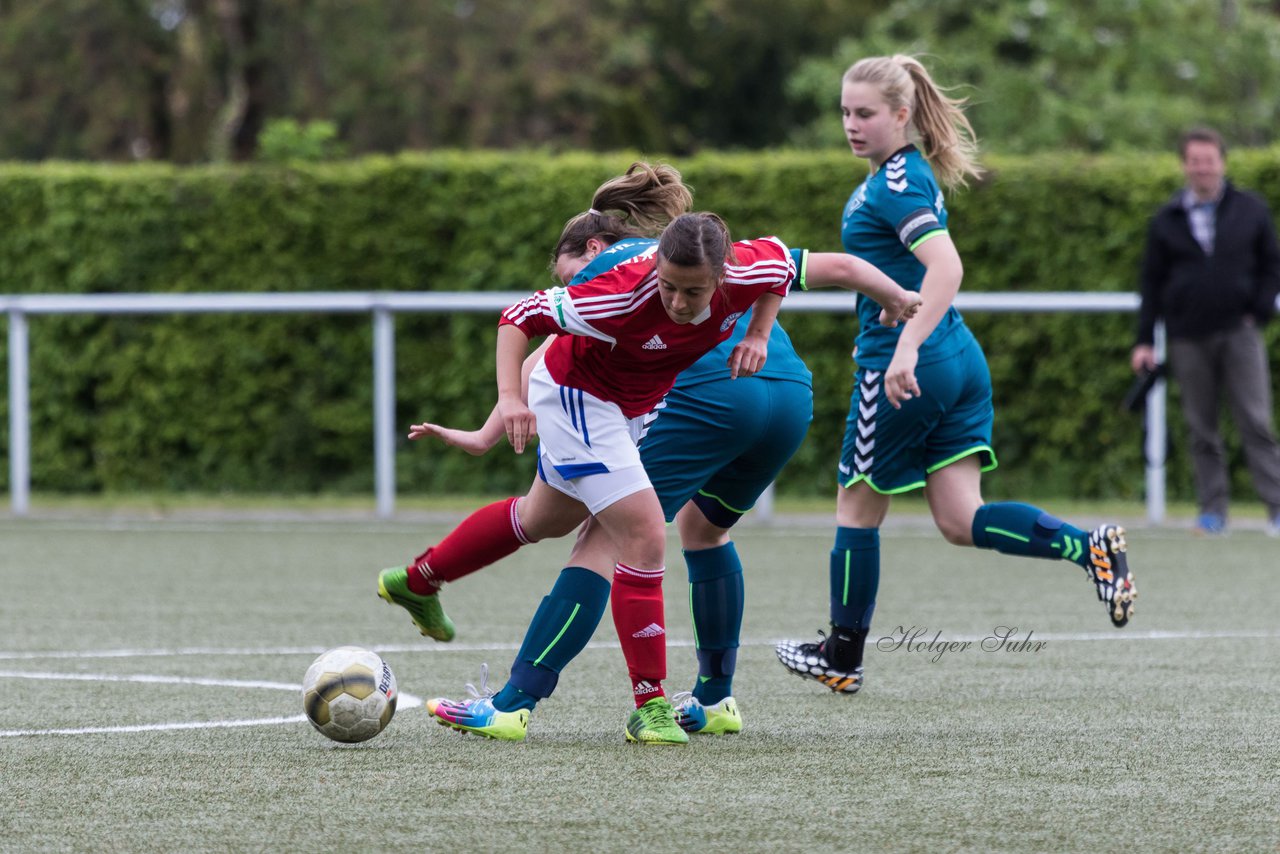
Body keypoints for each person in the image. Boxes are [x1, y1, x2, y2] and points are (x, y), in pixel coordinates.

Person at [377, 162, 922, 743]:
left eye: (695, 291)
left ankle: (432, 593)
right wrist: (504, 412)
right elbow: (525, 328)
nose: (681, 303)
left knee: (562, 524)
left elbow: (798, 271)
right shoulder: (612, 293)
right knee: (651, 533)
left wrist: (883, 301)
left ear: (720, 272)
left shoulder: (738, 263)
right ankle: (543, 702)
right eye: (670, 287)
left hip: (660, 405)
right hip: (654, 400)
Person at [775, 55, 1138, 696]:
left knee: (856, 509)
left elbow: (946, 268)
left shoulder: (895, 184)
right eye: (845, 112)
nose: (852, 125)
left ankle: (842, 654)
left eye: (865, 114)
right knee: (959, 519)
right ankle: (1090, 547)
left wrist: (906, 346)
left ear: (901, 115)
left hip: (904, 362)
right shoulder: (902, 173)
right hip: (959, 358)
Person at [1131, 127, 1280, 537]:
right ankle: (1213, 512)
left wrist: (1258, 311)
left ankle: (1277, 509)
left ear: (1222, 162)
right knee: (1202, 428)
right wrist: (1144, 339)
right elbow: (1152, 284)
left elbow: (1272, 265)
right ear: (1185, 165)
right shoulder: (1166, 220)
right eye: (1195, 161)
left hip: (1240, 333)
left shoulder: (1250, 209)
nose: (1202, 168)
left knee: (1256, 421)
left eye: (1209, 160)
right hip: (1186, 337)